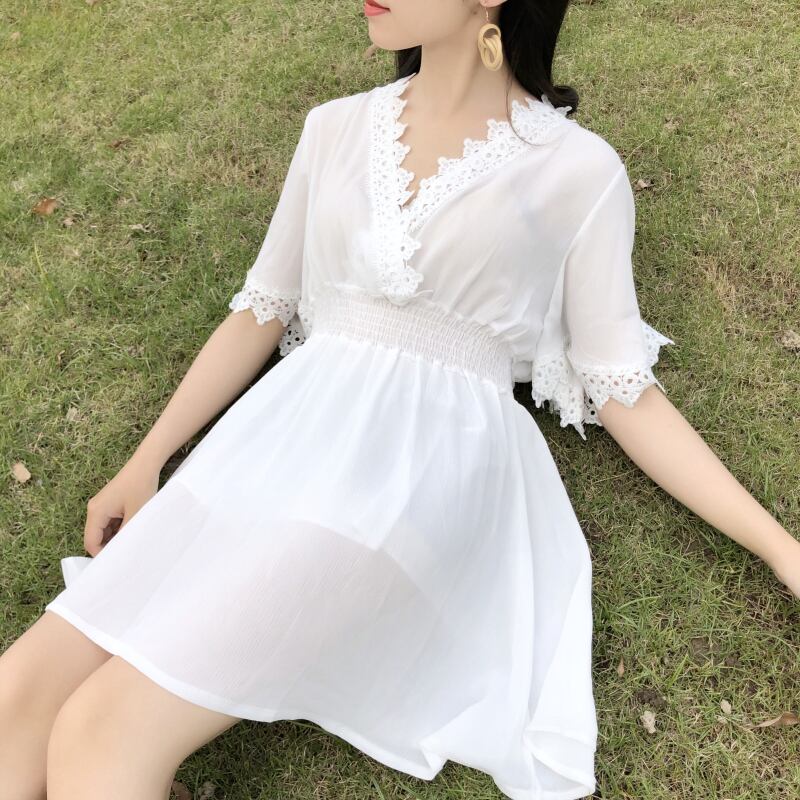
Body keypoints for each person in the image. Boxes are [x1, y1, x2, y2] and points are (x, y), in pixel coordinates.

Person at [2, 2, 797, 799]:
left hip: (414, 473)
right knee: (16, 699)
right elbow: (261, 310)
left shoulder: (577, 172)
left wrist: (779, 548)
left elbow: (625, 392)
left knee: (101, 733)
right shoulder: (334, 128)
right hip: (278, 442)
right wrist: (146, 461)